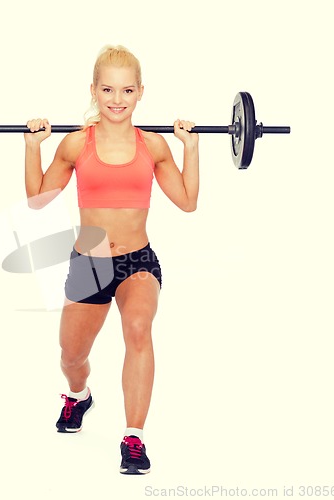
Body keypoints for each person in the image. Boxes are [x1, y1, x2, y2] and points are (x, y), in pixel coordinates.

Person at [24, 45, 199, 475]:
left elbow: (188, 202)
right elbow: (38, 201)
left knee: (138, 329)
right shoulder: (76, 144)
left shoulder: (155, 145)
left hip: (138, 262)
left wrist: (191, 149)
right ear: (94, 91)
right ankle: (79, 396)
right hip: (90, 262)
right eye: (107, 89)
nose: (116, 99)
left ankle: (133, 437)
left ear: (141, 92)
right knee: (70, 356)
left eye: (126, 90)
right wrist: (33, 147)